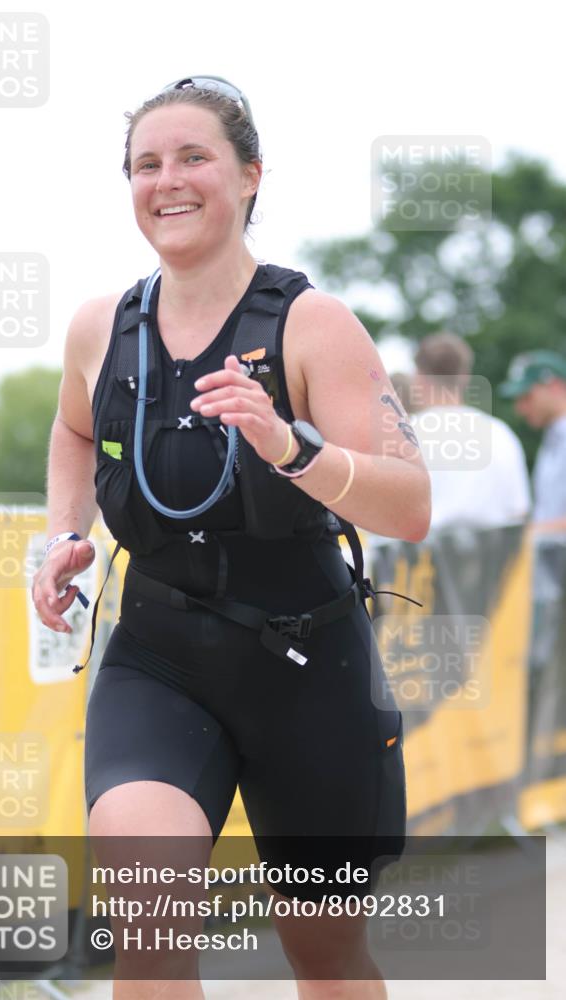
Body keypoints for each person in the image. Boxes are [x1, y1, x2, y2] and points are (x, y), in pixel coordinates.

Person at [31, 76, 431, 1000]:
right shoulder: (102, 326)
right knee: (151, 919)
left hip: (309, 661)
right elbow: (74, 431)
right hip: (157, 656)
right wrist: (64, 534)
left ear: (250, 176)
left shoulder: (312, 323)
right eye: (146, 164)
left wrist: (291, 448)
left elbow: (408, 505)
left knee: (324, 955)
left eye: (194, 157)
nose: (167, 180)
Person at [410, 332, 531, 531]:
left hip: (423, 558)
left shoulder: (403, 436)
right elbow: (518, 512)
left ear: (419, 378)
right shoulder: (501, 434)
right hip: (495, 559)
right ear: (465, 377)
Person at [498, 349, 566, 531]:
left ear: (555, 387)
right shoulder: (553, 438)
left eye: (527, 397)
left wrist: (522, 536)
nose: (520, 408)